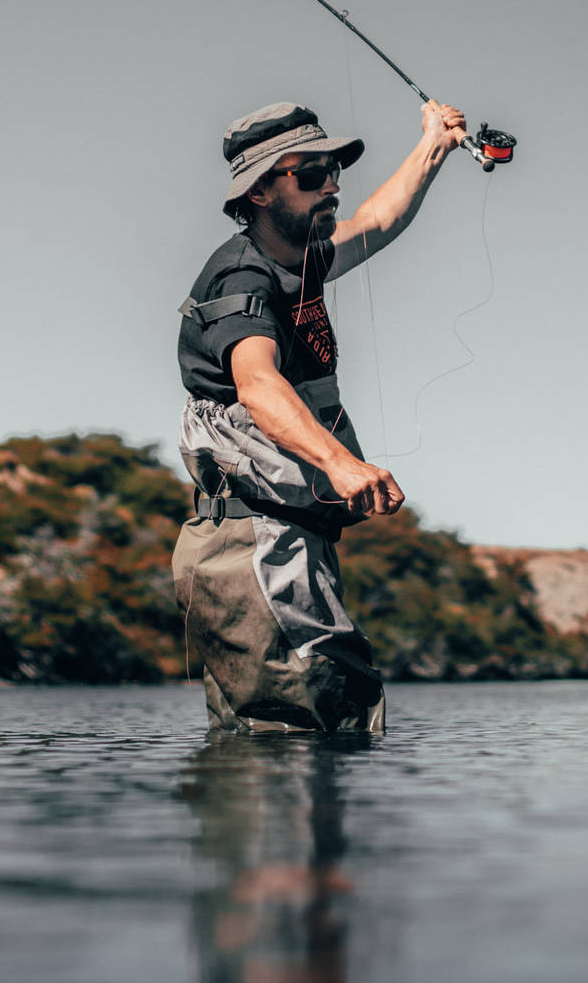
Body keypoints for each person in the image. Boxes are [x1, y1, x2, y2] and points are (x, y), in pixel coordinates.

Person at [174, 97, 468, 734]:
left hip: (285, 543)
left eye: (333, 170)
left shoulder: (300, 262)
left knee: (291, 747)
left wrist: (433, 146)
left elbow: (377, 220)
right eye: (309, 175)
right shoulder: (240, 280)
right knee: (320, 725)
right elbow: (257, 384)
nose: (330, 185)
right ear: (258, 191)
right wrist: (341, 465)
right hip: (254, 544)